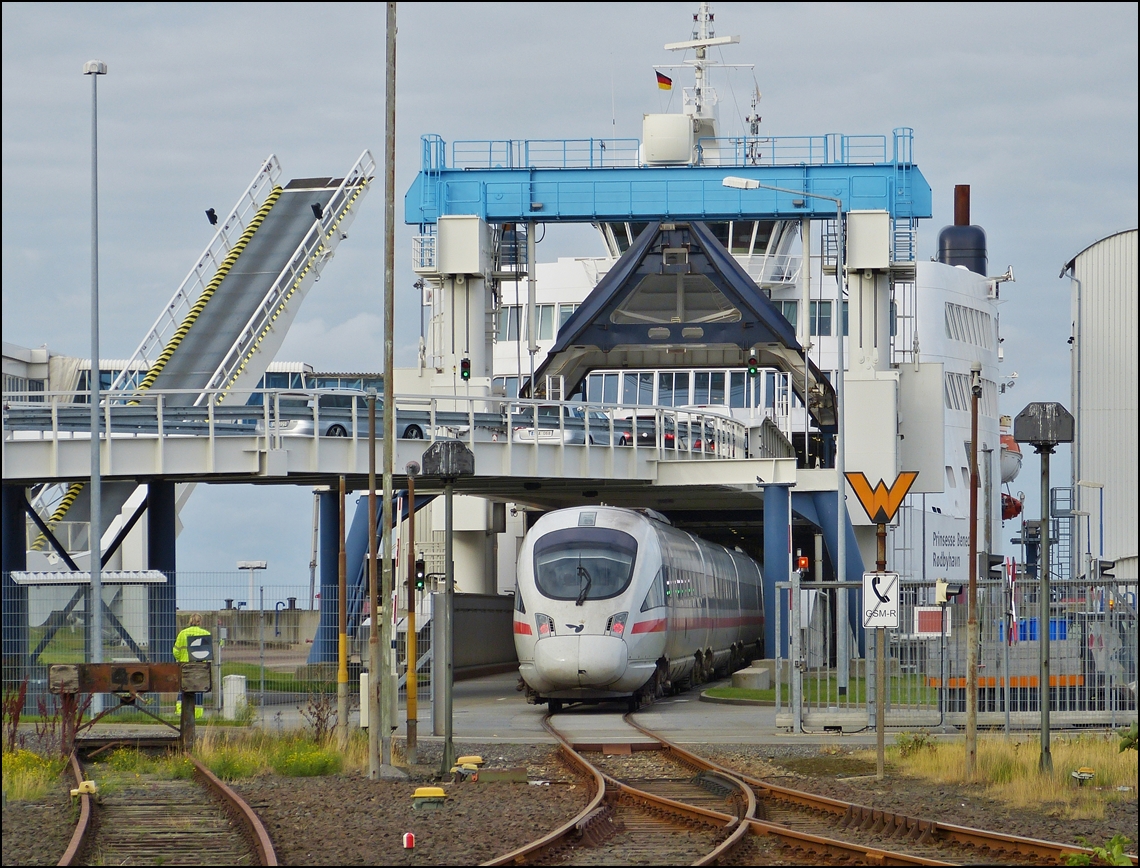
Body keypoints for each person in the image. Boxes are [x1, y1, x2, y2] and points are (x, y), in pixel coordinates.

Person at [173, 613, 211, 719]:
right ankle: (197, 714)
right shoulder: (205, 633)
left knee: (184, 688)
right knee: (198, 689)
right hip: (200, 666)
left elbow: (176, 651)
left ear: (190, 621)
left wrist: (181, 659)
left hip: (185, 666)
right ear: (200, 622)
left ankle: (180, 711)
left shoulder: (183, 634)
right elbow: (208, 652)